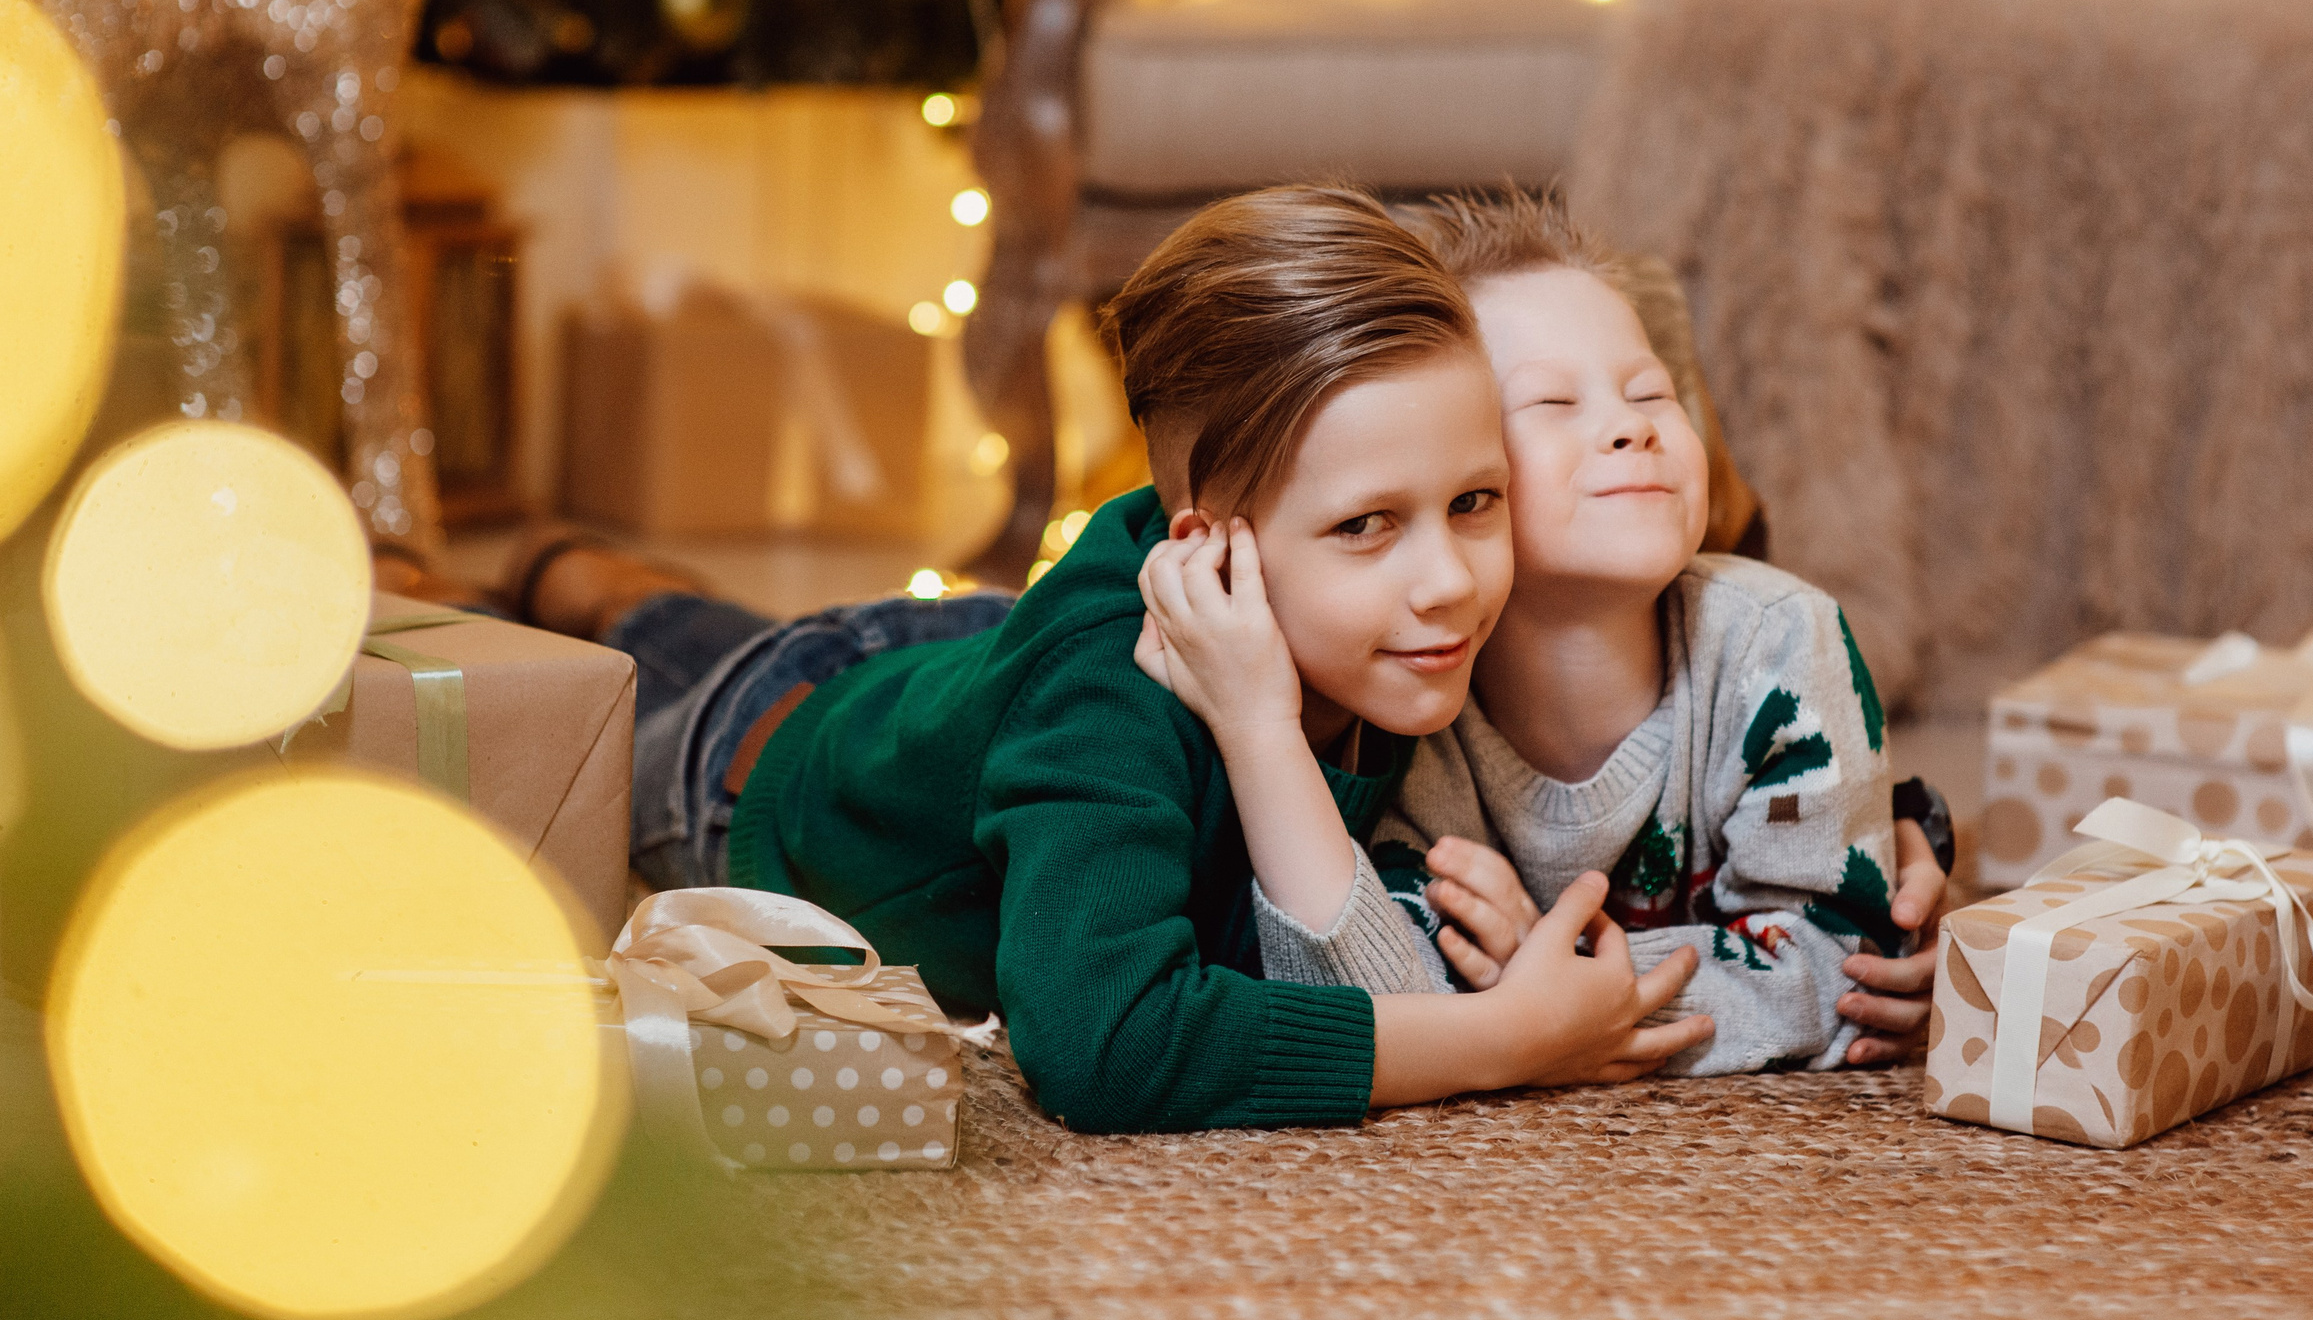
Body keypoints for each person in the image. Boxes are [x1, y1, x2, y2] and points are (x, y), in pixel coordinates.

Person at [516, 186, 1712, 1134]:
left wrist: (1894, 835)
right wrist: (1506, 1043)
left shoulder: (1406, 613)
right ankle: (565, 573)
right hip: (770, 757)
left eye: (1475, 499)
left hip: (969, 652)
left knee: (764, 634)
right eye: (1366, 526)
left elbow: (1704, 669)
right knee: (578, 693)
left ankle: (604, 584)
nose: (1449, 579)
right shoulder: (1104, 699)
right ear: (1212, 549)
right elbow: (1104, 1044)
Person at [1138, 190, 1949, 1073]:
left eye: (1651, 392)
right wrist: (1529, 1015)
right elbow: (1375, 1012)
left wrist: (1551, 984)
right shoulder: (1403, 693)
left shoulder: (1785, 641)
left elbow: (1844, 965)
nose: (1631, 426)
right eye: (1554, 404)